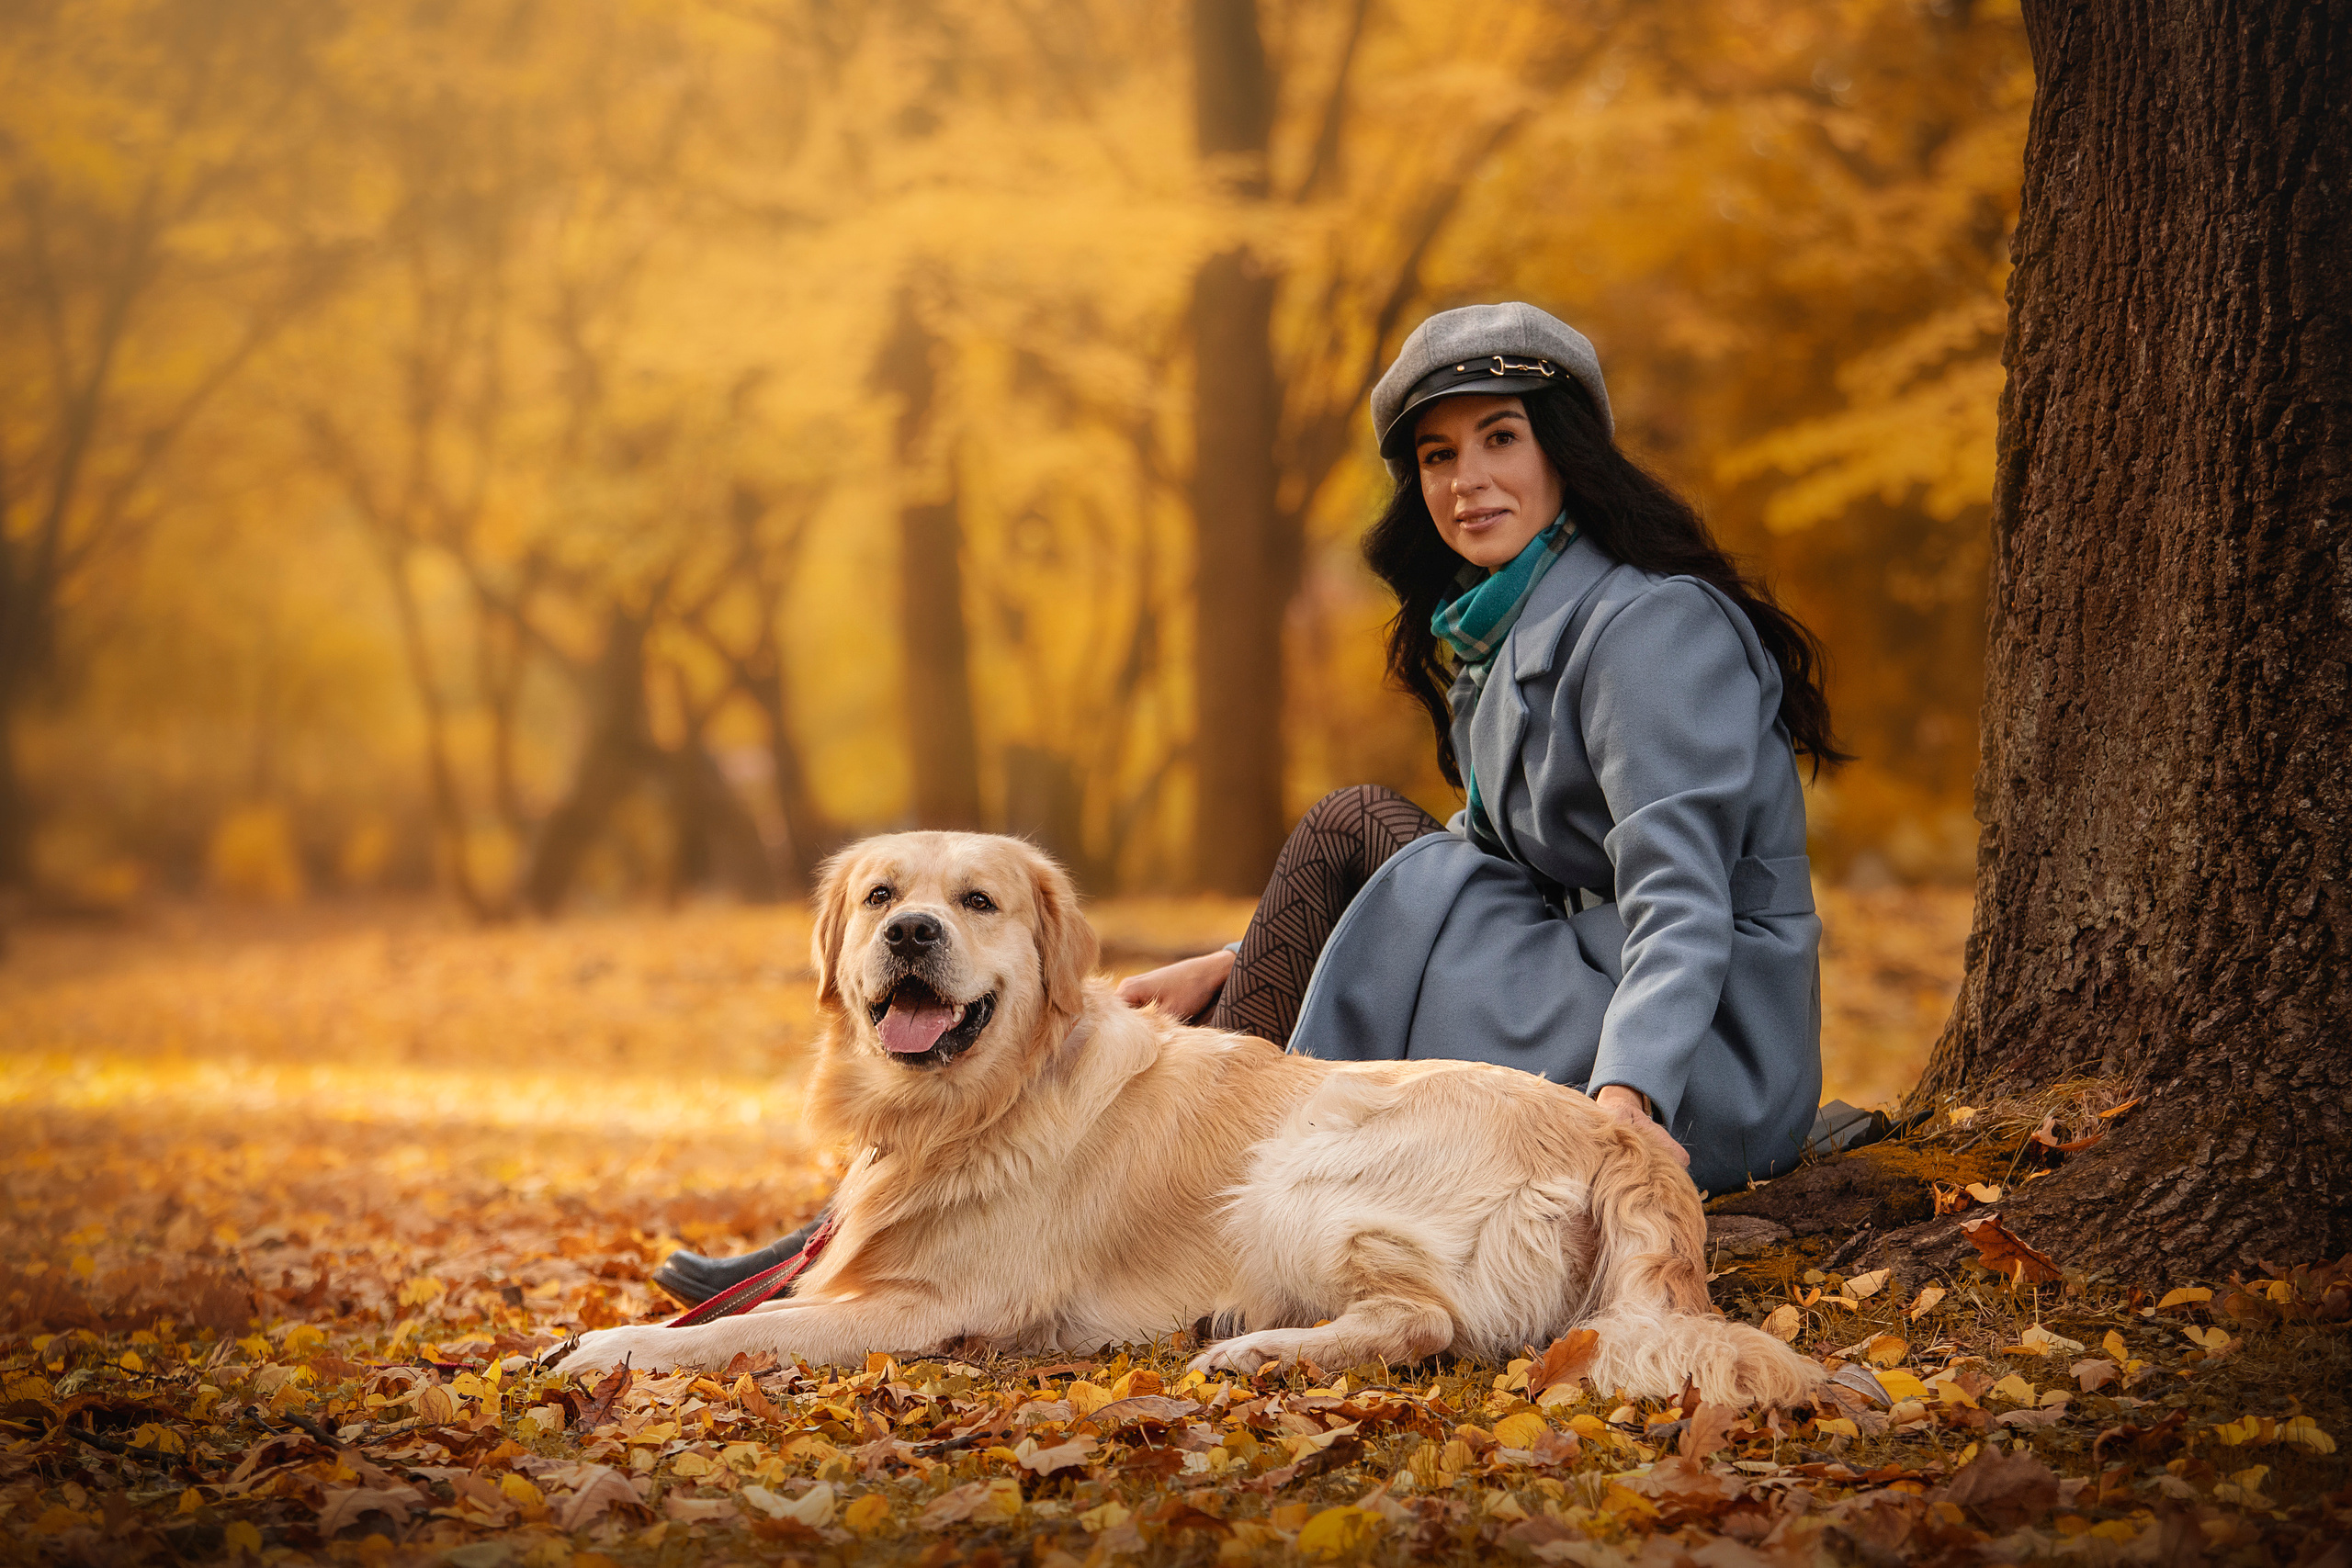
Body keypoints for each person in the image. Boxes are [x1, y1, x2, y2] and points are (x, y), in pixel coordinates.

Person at [656, 301, 1839, 1305]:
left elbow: (1682, 906)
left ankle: (898, 1229)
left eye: (1500, 440)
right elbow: (1484, 849)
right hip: (1564, 972)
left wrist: (1627, 1109)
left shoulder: (1650, 629)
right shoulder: (1510, 620)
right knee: (1362, 831)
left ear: (1568, 451)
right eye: (1438, 457)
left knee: (1351, 828)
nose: (1469, 481)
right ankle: (851, 1224)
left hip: (1688, 1049)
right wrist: (1235, 958)